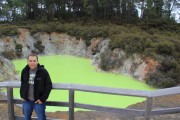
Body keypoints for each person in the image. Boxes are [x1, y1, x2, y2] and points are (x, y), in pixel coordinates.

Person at [20, 53, 52, 120]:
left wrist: (42, 99)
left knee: (41, 118)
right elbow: (22, 84)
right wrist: (22, 95)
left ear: (37, 61)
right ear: (27, 61)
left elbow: (48, 85)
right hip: (27, 101)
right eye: (30, 61)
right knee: (26, 118)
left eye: (34, 61)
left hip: (38, 101)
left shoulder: (43, 72)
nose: (32, 63)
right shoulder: (24, 71)